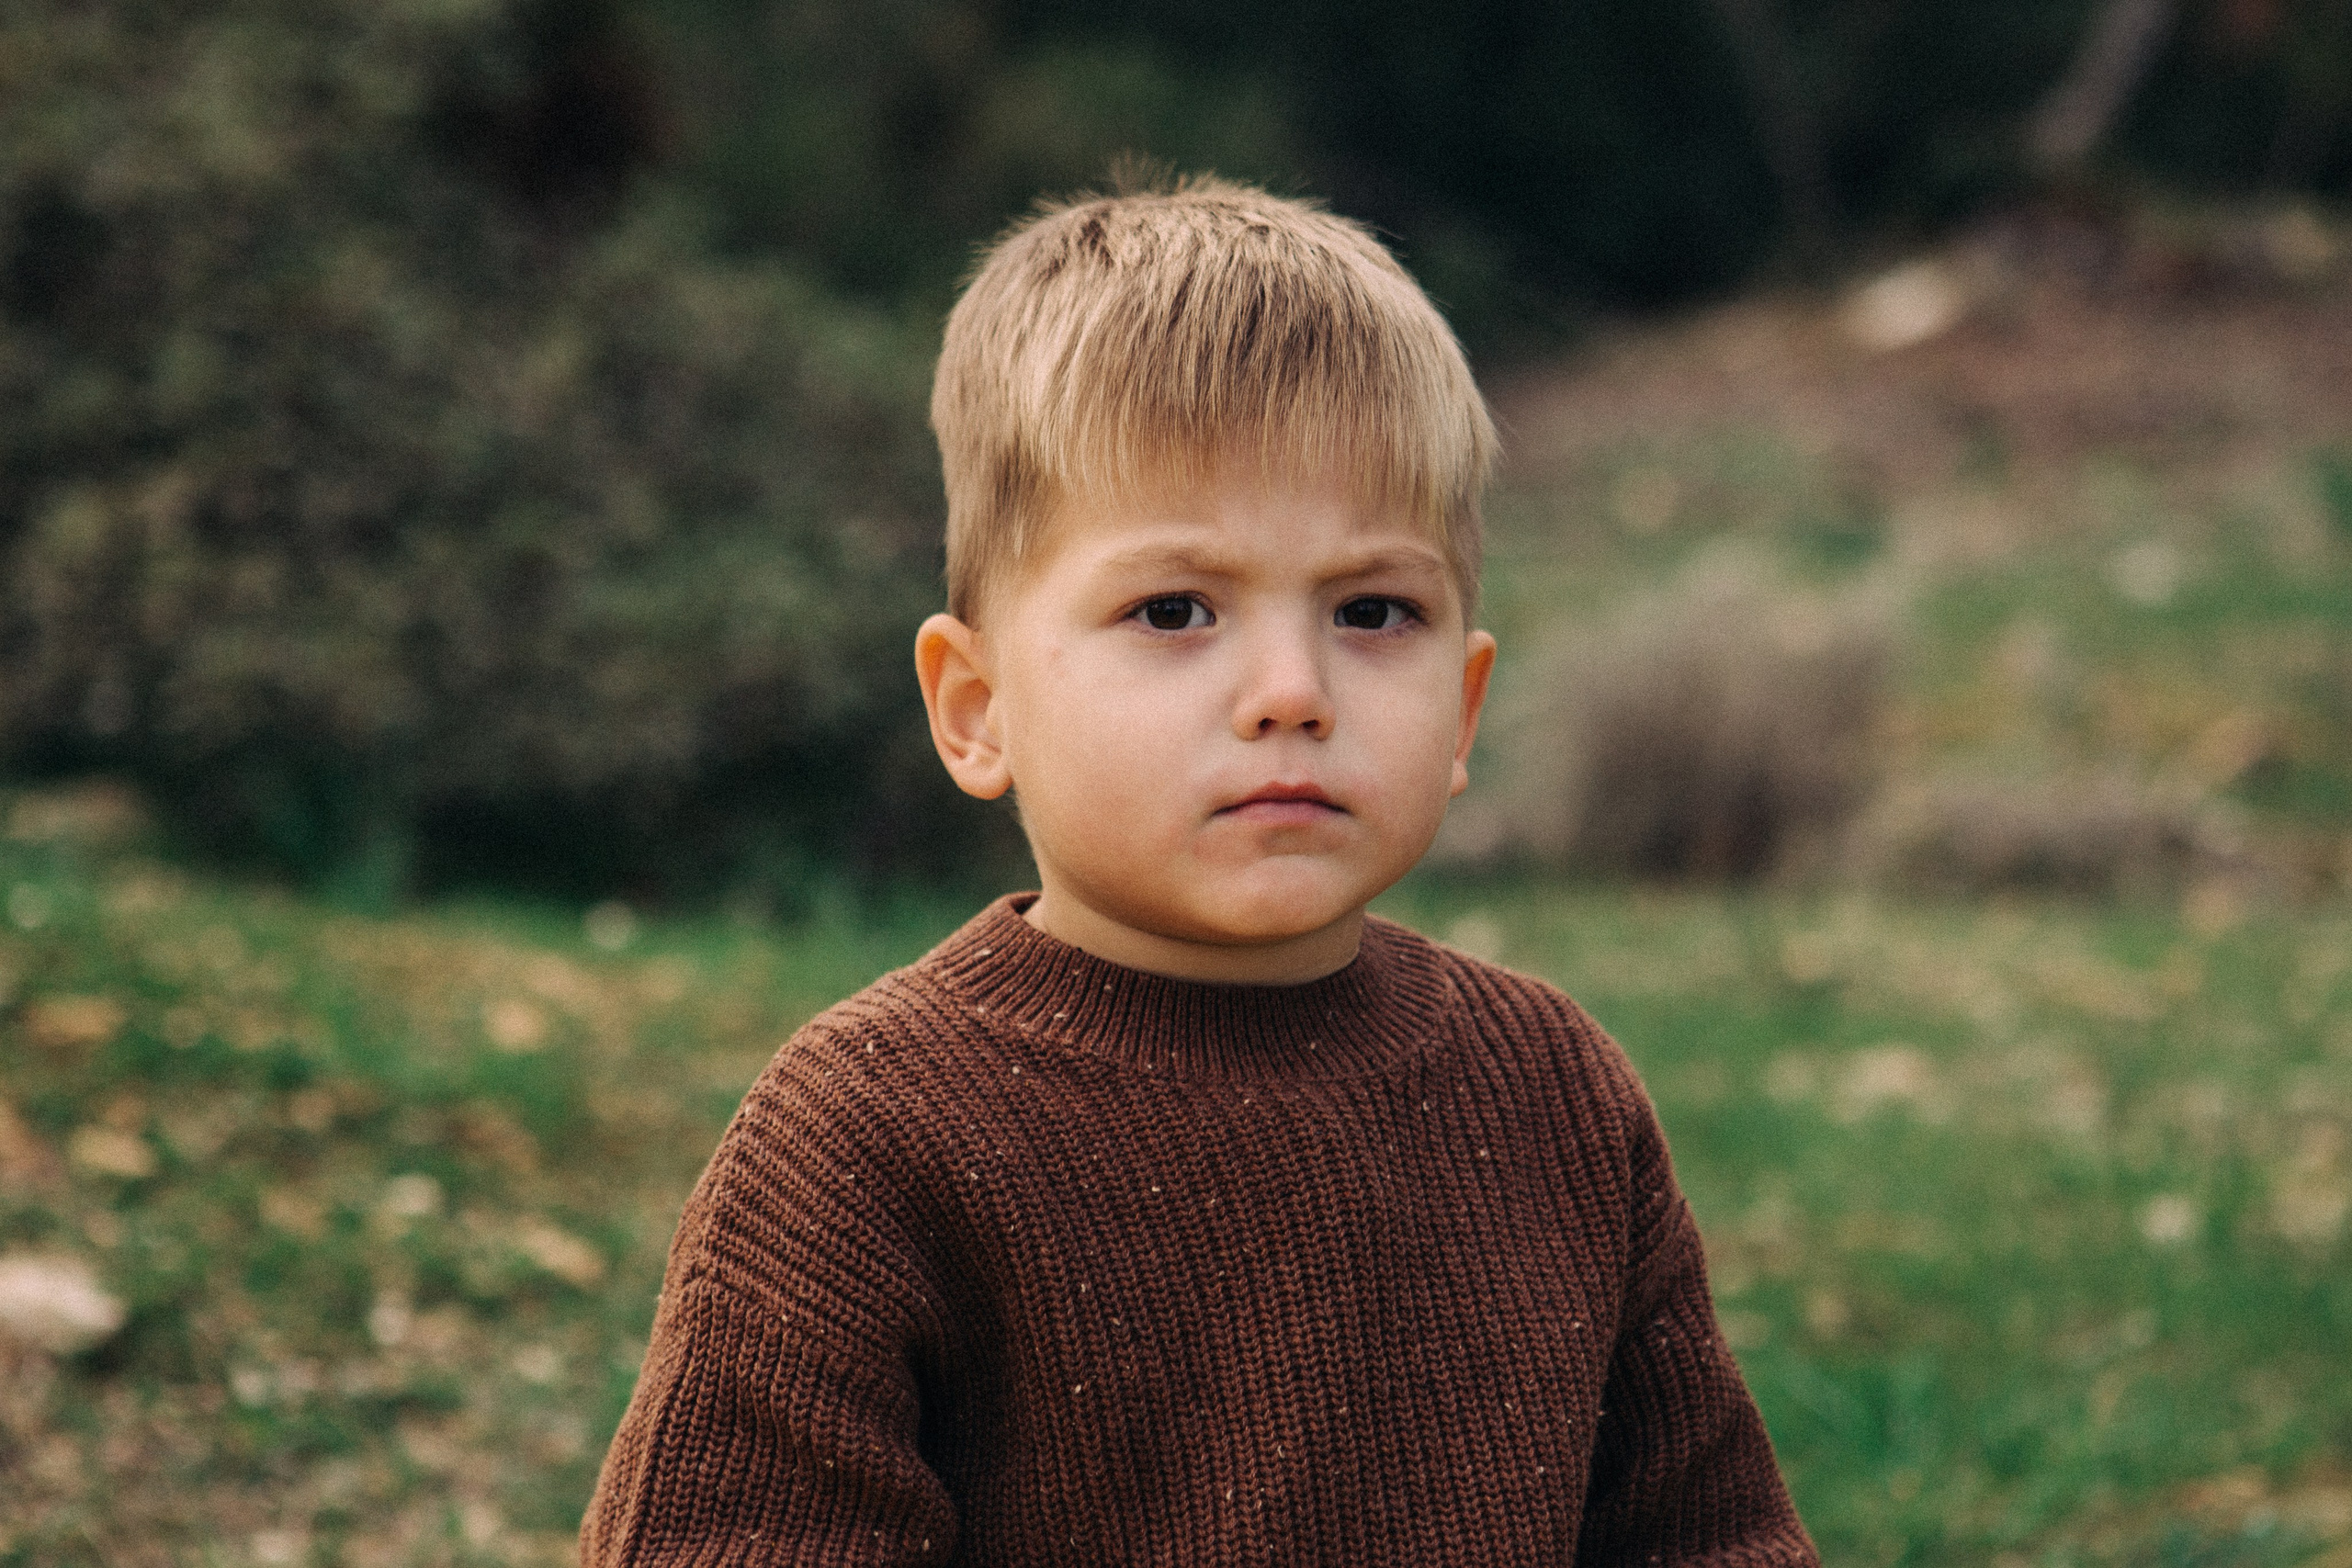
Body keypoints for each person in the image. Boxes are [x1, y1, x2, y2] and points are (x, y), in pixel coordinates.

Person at [582, 175, 1816, 1566]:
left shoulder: (1553, 1097)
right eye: (1174, 610)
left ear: (1464, 711)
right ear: (975, 708)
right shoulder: (866, 1143)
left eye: (1373, 611)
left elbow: (1708, 1539)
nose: (1290, 690)